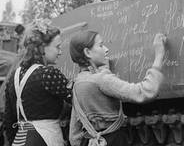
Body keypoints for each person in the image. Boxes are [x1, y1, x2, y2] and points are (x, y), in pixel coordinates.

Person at [69, 30, 166, 146]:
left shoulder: (77, 83)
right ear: (88, 52)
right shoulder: (102, 80)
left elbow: (74, 134)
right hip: (113, 140)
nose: (106, 49)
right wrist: (159, 56)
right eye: (100, 45)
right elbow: (145, 91)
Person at [4, 18, 71, 146]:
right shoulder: (48, 74)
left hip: (20, 140)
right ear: (42, 48)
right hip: (46, 139)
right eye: (57, 47)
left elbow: (9, 118)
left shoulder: (14, 75)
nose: (60, 52)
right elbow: (78, 99)